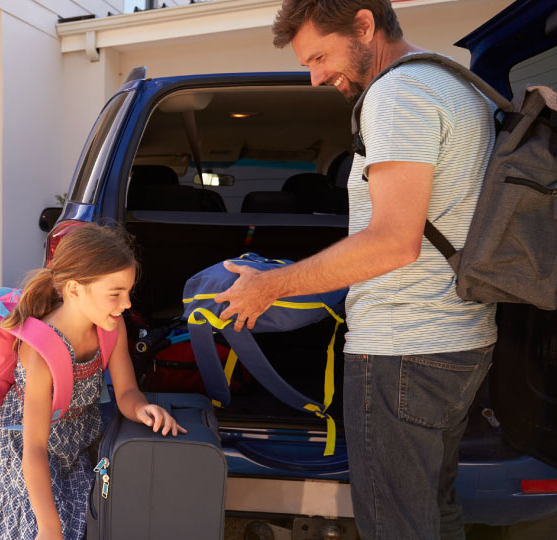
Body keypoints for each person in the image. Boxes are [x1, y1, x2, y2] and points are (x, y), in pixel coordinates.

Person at [214, 1, 497, 538]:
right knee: (436, 511)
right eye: (308, 64)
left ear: (365, 26)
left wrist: (270, 286)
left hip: (401, 349)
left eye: (320, 56)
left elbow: (393, 242)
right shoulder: (457, 83)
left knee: (395, 525)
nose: (318, 77)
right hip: (462, 339)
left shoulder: (397, 94)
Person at [0, 223, 186, 540]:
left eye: (128, 292)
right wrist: (48, 526)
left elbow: (126, 391)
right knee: (44, 526)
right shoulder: (40, 353)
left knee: (87, 521)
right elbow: (34, 448)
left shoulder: (112, 326)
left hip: (76, 446)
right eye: (116, 294)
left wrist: (142, 410)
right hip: (29, 454)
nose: (126, 304)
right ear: (74, 290)